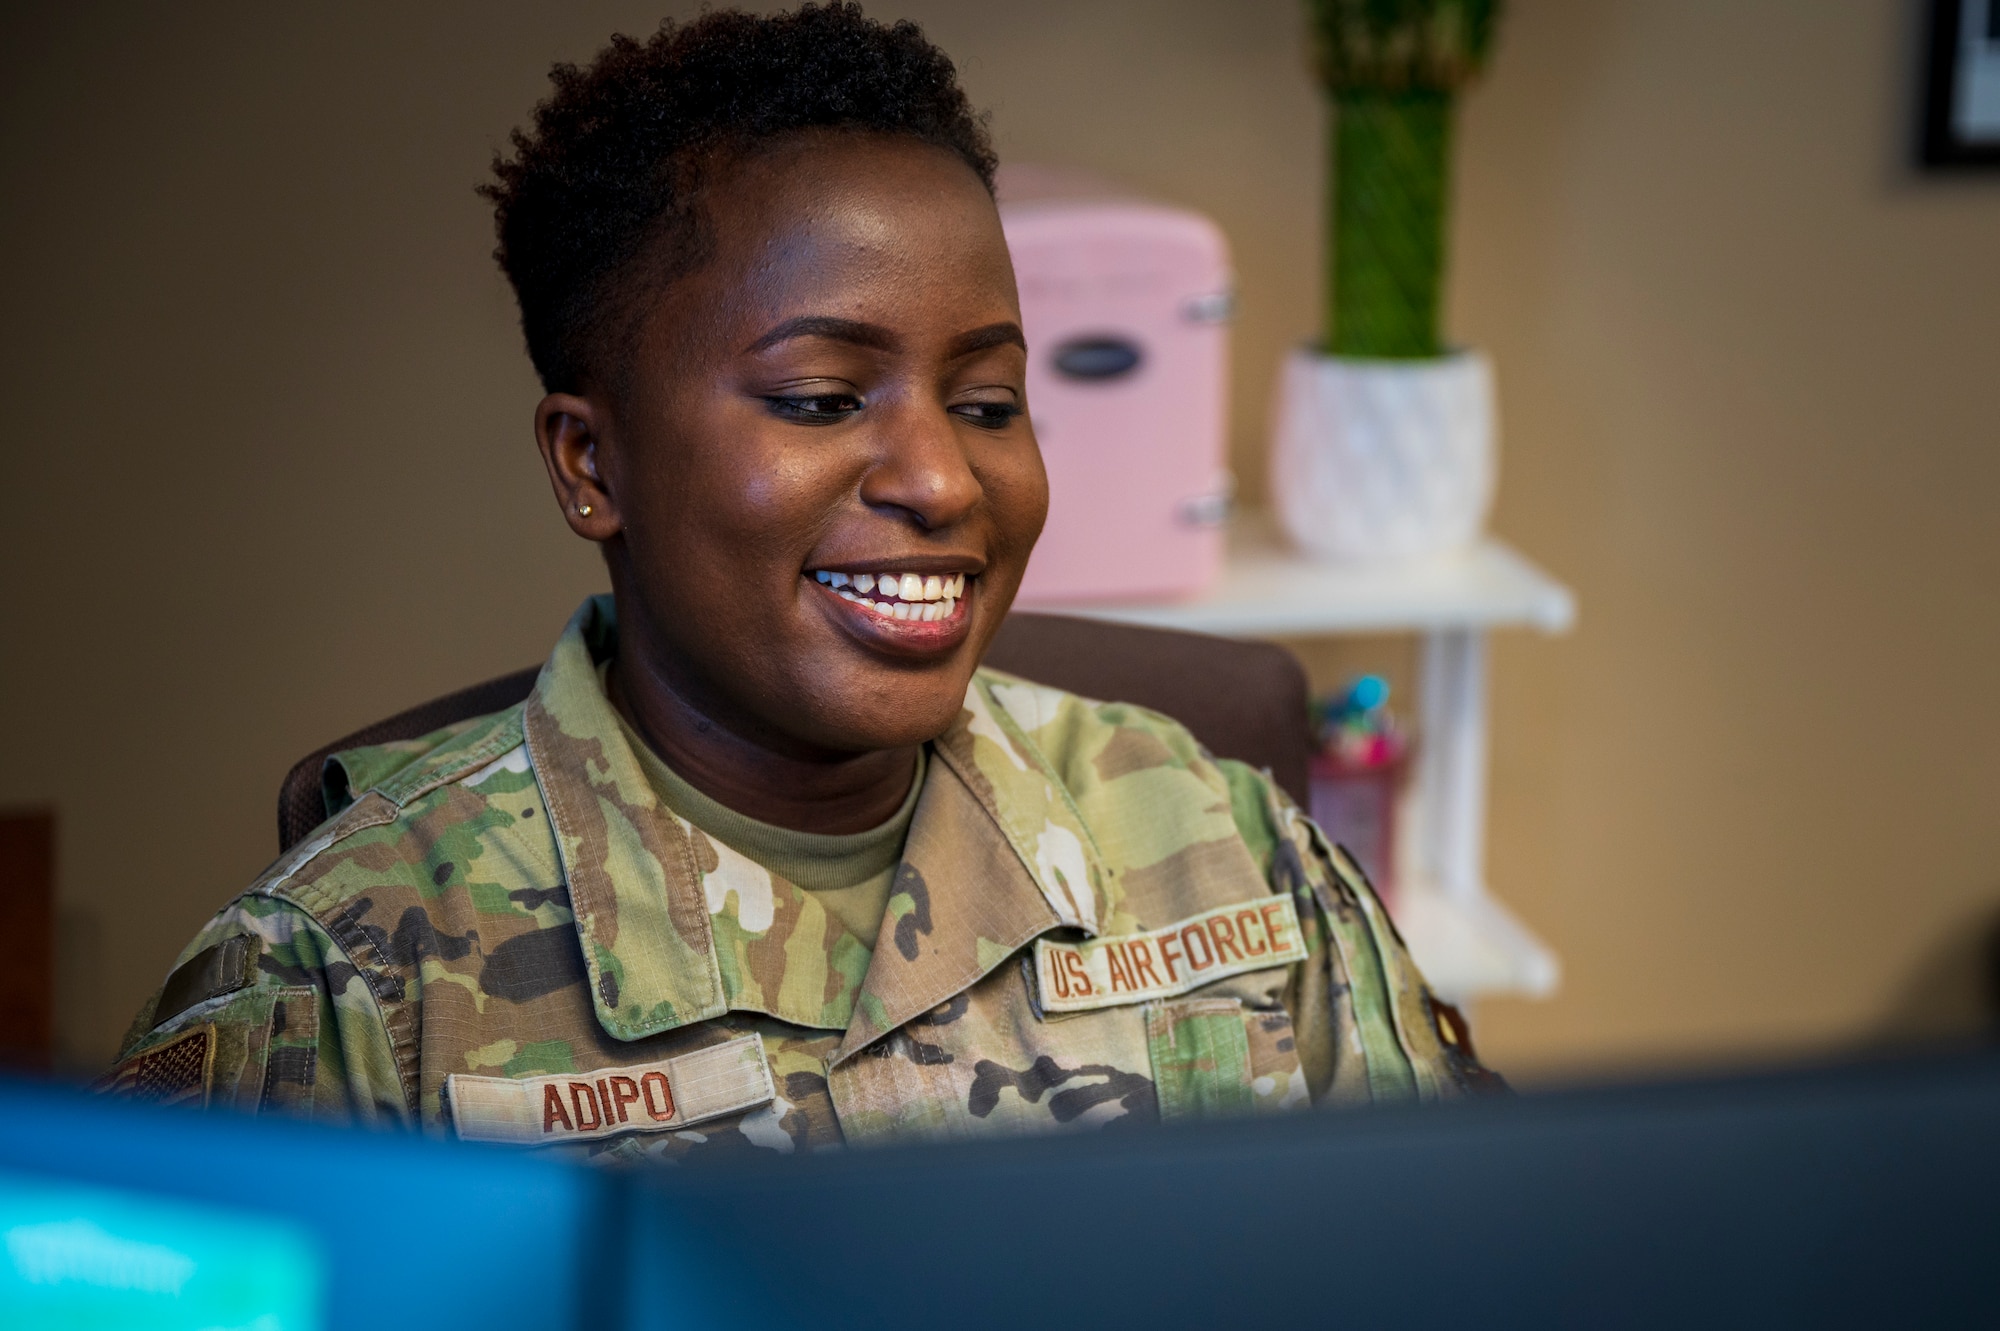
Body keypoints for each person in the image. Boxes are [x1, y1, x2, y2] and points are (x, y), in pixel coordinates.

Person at [103, 3, 1499, 1161]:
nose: (944, 480)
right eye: (825, 399)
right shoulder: (343, 988)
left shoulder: (1226, 845)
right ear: (593, 463)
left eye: (991, 400)